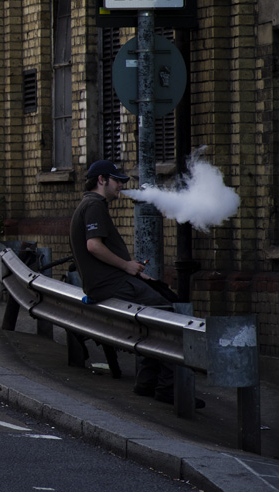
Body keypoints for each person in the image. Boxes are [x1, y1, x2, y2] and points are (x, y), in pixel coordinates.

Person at [70, 159, 200, 407]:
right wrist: (127, 266)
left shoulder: (91, 204)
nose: (120, 186)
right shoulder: (95, 205)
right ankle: (168, 387)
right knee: (168, 317)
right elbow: (93, 246)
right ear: (102, 180)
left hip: (113, 281)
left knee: (156, 312)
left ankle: (147, 382)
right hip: (111, 284)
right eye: (117, 181)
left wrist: (136, 273)